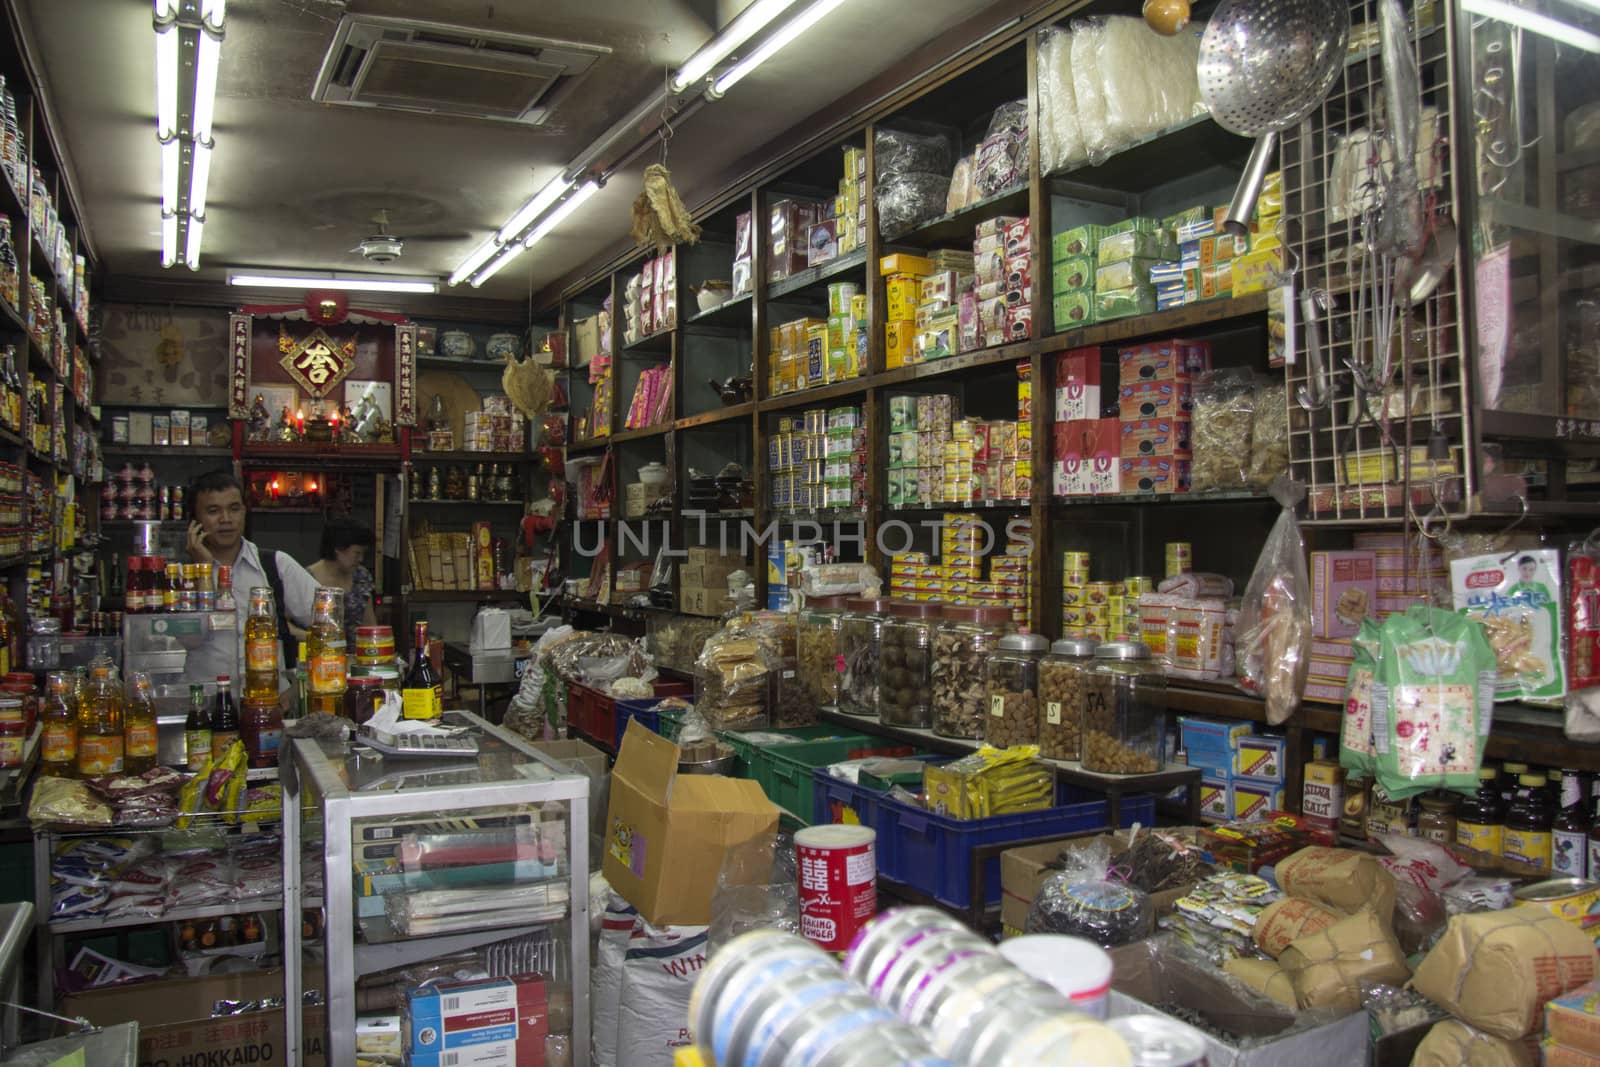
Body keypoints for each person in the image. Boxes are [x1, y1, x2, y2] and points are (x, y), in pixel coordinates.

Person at [185, 469, 319, 694]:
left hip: (268, 702)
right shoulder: (180, 576)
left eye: (234, 509)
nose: (226, 519)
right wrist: (203, 573)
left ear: (245, 513)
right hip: (207, 704)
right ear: (195, 521)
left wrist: (297, 685)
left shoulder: (275, 565)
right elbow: (190, 640)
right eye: (213, 511)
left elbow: (329, 618)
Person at [305, 518, 377, 645]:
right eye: (356, 553)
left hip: (357, 658)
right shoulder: (307, 578)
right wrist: (315, 637)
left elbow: (369, 624)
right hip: (321, 656)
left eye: (363, 553)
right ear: (338, 548)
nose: (361, 559)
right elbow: (286, 624)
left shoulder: (362, 576)